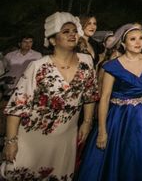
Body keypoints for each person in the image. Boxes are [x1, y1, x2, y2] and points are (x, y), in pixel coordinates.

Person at [1, 12, 99, 180]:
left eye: (74, 31)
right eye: (65, 31)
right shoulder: (38, 66)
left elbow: (90, 95)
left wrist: (87, 121)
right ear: (53, 40)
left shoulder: (86, 62)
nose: (72, 34)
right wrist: (10, 142)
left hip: (66, 137)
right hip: (34, 137)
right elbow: (17, 107)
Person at [77, 24, 142, 180]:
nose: (138, 42)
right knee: (115, 158)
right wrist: (102, 130)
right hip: (118, 118)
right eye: (133, 39)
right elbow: (104, 98)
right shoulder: (112, 66)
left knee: (140, 157)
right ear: (123, 43)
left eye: (141, 38)